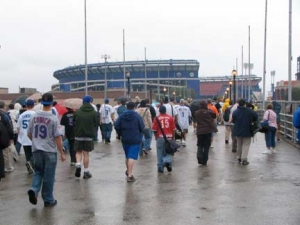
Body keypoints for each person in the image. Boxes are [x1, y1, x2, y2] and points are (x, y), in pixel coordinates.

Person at [27, 93, 66, 207]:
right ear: (51, 103)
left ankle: (34, 189)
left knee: (38, 172)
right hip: (49, 150)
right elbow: (57, 137)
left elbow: (29, 133)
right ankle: (48, 199)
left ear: (42, 103)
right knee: (49, 176)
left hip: (36, 149)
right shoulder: (53, 118)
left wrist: (35, 141)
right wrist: (62, 152)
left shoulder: (34, 116)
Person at [115, 102, 144, 182]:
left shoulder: (122, 115)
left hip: (125, 138)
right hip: (135, 138)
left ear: (126, 107)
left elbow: (116, 125)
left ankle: (128, 171)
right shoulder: (136, 116)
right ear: (134, 107)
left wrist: (120, 133)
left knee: (127, 156)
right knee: (131, 156)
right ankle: (130, 175)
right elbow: (142, 126)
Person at [74, 95, 98, 179]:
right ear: (90, 102)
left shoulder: (77, 112)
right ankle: (86, 172)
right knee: (86, 153)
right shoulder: (93, 112)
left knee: (78, 152)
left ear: (82, 102)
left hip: (78, 135)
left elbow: (74, 122)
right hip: (88, 136)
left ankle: (78, 164)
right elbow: (96, 123)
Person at [232, 99, 258, 165]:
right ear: (245, 104)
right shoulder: (249, 111)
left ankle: (239, 157)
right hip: (247, 130)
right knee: (246, 145)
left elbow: (233, 120)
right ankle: (244, 159)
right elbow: (256, 116)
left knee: (239, 144)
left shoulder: (235, 112)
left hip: (238, 130)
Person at [152, 105, 176, 173]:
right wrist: (173, 137)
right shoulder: (170, 118)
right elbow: (173, 129)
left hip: (160, 137)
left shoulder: (156, 118)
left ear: (159, 111)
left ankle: (160, 167)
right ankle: (168, 162)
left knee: (160, 153)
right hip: (169, 137)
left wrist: (156, 137)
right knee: (169, 152)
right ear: (165, 111)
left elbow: (154, 130)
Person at [17, 99, 36, 174]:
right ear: (33, 105)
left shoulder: (22, 115)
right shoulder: (35, 114)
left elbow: (18, 127)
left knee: (27, 153)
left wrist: (19, 136)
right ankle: (31, 164)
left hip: (24, 136)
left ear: (26, 105)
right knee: (34, 153)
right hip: (33, 136)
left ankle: (29, 165)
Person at [195, 100, 216, 165]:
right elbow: (214, 115)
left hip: (200, 131)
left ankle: (199, 157)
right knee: (207, 146)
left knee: (200, 145)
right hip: (208, 131)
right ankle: (205, 160)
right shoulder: (209, 112)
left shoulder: (197, 112)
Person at [0, 101, 14, 172]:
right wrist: (11, 137)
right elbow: (9, 126)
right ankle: (7, 167)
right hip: (4, 137)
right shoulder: (4, 115)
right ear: (4, 107)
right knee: (5, 152)